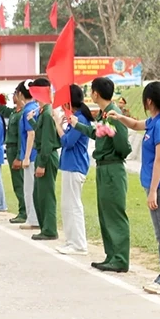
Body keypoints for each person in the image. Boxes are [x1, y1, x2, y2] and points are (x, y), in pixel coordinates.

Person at [108, 82, 160, 295]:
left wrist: (152, 191)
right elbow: (135, 124)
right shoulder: (154, 122)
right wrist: (119, 117)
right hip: (155, 185)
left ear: (149, 100)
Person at [70, 77, 133, 273]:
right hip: (104, 166)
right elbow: (96, 132)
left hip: (113, 167)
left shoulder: (114, 114)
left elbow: (123, 145)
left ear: (96, 93)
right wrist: (76, 124)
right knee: (105, 212)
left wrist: (116, 155)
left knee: (114, 212)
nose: (90, 93)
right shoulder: (105, 114)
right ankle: (112, 255)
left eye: (92, 90)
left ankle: (120, 258)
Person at [53, 85, 91, 256]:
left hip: (76, 166)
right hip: (69, 165)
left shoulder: (80, 119)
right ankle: (71, 241)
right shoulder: (75, 118)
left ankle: (79, 244)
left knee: (74, 205)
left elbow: (68, 142)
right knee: (67, 205)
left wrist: (57, 125)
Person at [0, 84, 26, 224]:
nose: (12, 97)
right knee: (16, 182)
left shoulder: (21, 114)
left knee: (20, 183)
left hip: (16, 149)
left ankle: (24, 211)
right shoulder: (14, 112)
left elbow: (21, 138)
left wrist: (19, 156)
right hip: (11, 148)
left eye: (14, 94)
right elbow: (2, 109)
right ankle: (22, 210)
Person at [17, 79, 47, 230]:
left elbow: (31, 134)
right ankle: (34, 217)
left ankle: (33, 218)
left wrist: (27, 156)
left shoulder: (29, 110)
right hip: (35, 153)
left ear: (21, 94)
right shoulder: (35, 107)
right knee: (32, 188)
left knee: (29, 189)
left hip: (32, 154)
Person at [31, 93, 61, 241]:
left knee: (46, 195)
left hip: (46, 156)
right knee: (38, 195)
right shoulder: (43, 112)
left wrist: (42, 163)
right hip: (42, 154)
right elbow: (39, 133)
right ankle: (45, 228)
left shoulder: (48, 113)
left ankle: (49, 229)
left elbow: (48, 140)